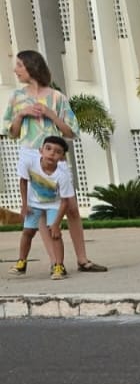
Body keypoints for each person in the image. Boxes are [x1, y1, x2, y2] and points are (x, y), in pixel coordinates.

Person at [3, 49, 107, 272]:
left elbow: (71, 132)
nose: (16, 70)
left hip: (56, 158)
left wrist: (51, 114)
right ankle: (55, 263)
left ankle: (82, 259)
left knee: (71, 207)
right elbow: (10, 133)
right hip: (30, 156)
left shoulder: (57, 98)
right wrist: (21, 115)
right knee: (38, 209)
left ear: (32, 67)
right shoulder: (16, 97)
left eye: (19, 65)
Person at [10, 135, 74, 280]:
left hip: (54, 204)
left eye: (57, 152)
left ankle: (59, 266)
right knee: (28, 231)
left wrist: (56, 224)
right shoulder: (30, 163)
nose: (52, 153)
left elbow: (65, 202)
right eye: (48, 149)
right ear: (41, 150)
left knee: (55, 234)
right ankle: (21, 262)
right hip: (34, 203)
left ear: (62, 158)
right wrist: (24, 204)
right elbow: (23, 182)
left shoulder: (62, 176)